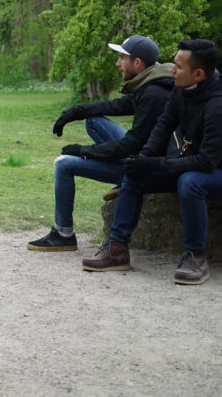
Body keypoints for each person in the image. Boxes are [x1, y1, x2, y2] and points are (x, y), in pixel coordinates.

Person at [82, 39, 222, 285]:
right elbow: (164, 125)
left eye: (178, 66)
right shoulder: (182, 88)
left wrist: (155, 165)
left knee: (191, 181)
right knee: (135, 173)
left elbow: (206, 163)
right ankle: (117, 250)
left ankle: (195, 257)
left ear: (198, 74)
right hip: (194, 163)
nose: (171, 69)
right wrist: (143, 159)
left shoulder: (221, 105)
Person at [28, 35, 174, 252]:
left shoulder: (154, 94)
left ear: (137, 63)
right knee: (94, 122)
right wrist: (77, 111)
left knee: (63, 164)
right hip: (146, 155)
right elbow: (117, 106)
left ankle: (63, 233)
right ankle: (118, 183)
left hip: (147, 168)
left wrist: (83, 151)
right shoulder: (153, 83)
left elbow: (131, 145)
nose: (117, 64)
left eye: (121, 58)